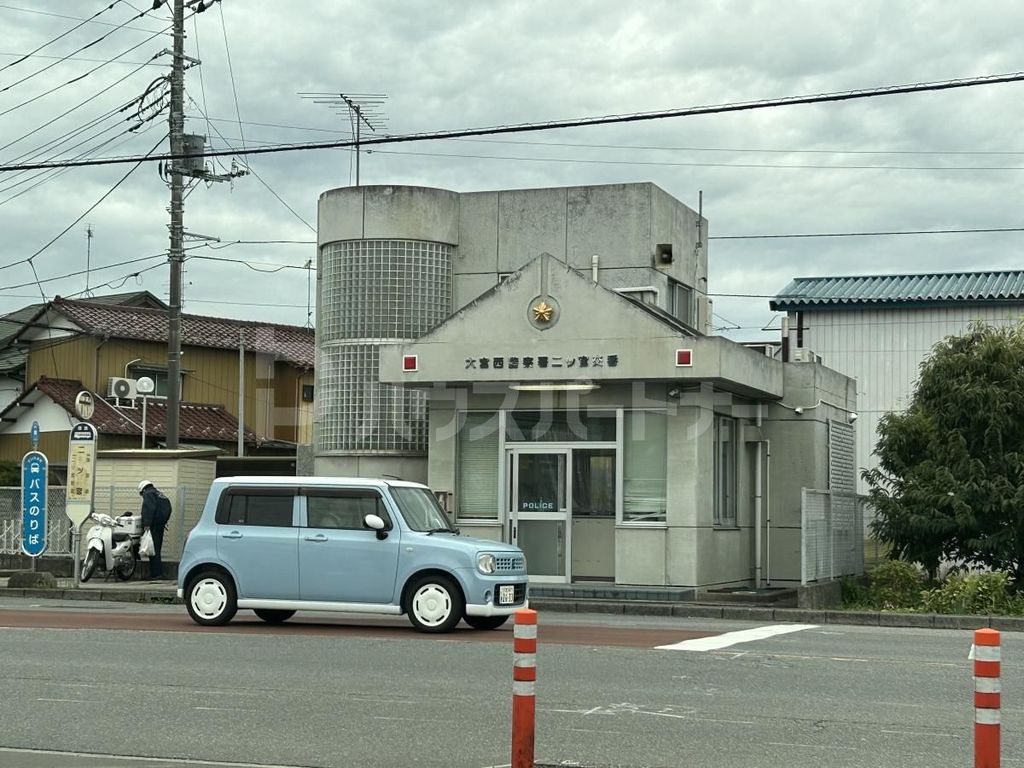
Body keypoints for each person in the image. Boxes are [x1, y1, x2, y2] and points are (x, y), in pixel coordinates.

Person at [138, 480, 172, 580]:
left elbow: (149, 509)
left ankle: (156, 574)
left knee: (153, 550)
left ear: (143, 489)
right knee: (157, 549)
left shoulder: (148, 494)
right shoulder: (159, 494)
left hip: (153, 526)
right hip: (160, 525)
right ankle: (157, 573)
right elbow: (168, 508)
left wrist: (147, 524)